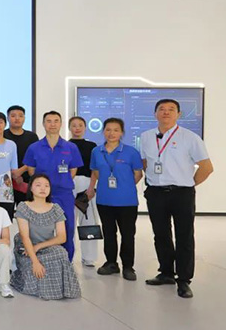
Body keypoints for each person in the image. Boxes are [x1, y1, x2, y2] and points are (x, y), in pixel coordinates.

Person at [140, 99, 213, 298]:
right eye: (162, 109)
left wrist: (188, 184)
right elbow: (145, 162)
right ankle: (166, 273)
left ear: (179, 114)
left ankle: (184, 280)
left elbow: (207, 167)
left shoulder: (190, 137)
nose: (166, 112)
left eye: (171, 109)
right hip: (155, 193)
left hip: (182, 193)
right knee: (161, 234)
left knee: (184, 236)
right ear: (155, 114)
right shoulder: (146, 137)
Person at [87, 118, 143, 281]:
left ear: (122, 133)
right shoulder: (96, 151)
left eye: (116, 130)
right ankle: (111, 263)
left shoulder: (131, 152)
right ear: (103, 131)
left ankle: (128, 267)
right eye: (108, 129)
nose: (111, 133)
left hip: (127, 201)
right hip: (104, 199)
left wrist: (124, 186)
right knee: (109, 233)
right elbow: (96, 172)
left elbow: (138, 174)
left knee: (127, 234)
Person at [23, 111, 83, 261]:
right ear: (43, 124)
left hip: (64, 194)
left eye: (56, 121)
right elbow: (31, 171)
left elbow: (73, 171)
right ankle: (40, 260)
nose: (52, 124)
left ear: (61, 124)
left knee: (67, 227)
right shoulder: (34, 147)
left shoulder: (71, 147)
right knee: (39, 229)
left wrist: (60, 181)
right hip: (41, 196)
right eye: (49, 121)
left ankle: (66, 261)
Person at [10, 174, 81, 300]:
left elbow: (62, 237)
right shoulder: (23, 207)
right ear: (31, 188)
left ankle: (57, 289)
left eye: (46, 186)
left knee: (61, 253)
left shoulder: (56, 208)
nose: (43, 188)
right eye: (38, 185)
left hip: (46, 246)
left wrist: (39, 246)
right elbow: (25, 237)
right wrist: (35, 262)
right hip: (26, 247)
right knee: (38, 262)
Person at [68, 116, 100, 268]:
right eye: (74, 125)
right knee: (68, 221)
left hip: (87, 184)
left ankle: (89, 257)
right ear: (69, 128)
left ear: (85, 127)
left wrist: (91, 187)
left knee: (89, 220)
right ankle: (68, 256)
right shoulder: (65, 145)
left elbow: (95, 169)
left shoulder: (92, 146)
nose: (77, 128)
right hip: (68, 184)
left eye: (80, 125)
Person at [4, 105, 39, 206]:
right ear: (8, 118)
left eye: (20, 116)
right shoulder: (2, 135)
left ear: (24, 118)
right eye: (13, 116)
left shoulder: (32, 137)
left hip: (26, 181)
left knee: (26, 211)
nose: (17, 118)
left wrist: (20, 171)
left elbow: (36, 158)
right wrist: (13, 174)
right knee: (6, 212)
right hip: (6, 181)